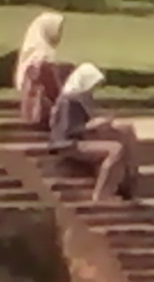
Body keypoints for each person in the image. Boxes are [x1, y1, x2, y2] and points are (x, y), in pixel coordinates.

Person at [47, 61, 139, 203]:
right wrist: (94, 125)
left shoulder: (81, 98)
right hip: (68, 144)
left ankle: (129, 179)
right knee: (115, 150)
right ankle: (101, 194)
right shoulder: (69, 100)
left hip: (81, 138)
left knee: (125, 132)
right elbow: (69, 130)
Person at [13, 11, 69, 129]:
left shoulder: (34, 52)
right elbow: (49, 84)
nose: (60, 34)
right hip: (40, 112)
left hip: (31, 110)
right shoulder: (42, 55)